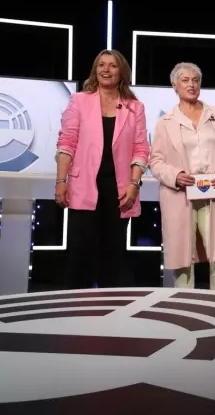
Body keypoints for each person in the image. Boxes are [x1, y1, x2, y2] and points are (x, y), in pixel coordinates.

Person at [55, 49, 149, 288]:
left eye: (113, 65)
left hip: (119, 189)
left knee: (114, 256)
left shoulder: (134, 107)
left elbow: (141, 148)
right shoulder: (79, 101)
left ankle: (109, 315)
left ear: (122, 72)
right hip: (84, 185)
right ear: (95, 71)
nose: (106, 70)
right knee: (81, 254)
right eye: (101, 65)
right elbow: (67, 142)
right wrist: (61, 181)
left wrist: (134, 184)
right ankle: (76, 313)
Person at [149, 62, 215, 290]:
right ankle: (185, 308)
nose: (191, 85)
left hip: (213, 193)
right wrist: (176, 175)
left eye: (195, 80)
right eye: (185, 80)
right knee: (182, 257)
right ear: (174, 86)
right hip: (180, 195)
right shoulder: (165, 123)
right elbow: (156, 161)